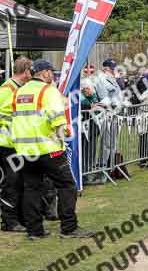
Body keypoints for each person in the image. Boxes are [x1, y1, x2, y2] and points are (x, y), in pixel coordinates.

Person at [13, 60, 94, 240]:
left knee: (32, 189)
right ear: (44, 73)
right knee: (66, 185)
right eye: (51, 72)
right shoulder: (48, 91)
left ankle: (34, 231)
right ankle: (69, 228)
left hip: (26, 150)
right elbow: (58, 121)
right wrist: (65, 134)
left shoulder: (20, 92)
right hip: (49, 148)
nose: (53, 76)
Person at [0, 57, 32, 232]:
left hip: (16, 144)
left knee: (18, 182)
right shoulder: (7, 89)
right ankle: (9, 221)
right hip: (6, 143)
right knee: (11, 183)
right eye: (30, 71)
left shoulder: (18, 89)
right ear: (25, 71)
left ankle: (18, 217)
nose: (31, 74)